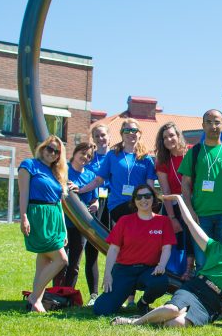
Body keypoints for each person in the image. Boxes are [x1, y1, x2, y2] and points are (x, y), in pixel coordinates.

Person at [112, 194, 222, 327]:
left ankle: (158, 317)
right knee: (172, 310)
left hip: (214, 301)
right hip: (196, 288)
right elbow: (190, 222)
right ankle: (134, 322)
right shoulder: (213, 246)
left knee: (176, 323)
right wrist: (179, 199)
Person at [92, 184, 174, 315]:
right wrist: (107, 274)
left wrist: (161, 265)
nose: (143, 200)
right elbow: (113, 249)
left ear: (153, 199)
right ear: (134, 201)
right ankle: (118, 295)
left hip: (148, 270)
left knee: (160, 282)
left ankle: (143, 303)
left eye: (147, 196)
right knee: (101, 310)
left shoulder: (163, 221)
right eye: (139, 197)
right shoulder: (124, 221)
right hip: (124, 270)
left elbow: (167, 248)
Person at [178, 109, 222, 272]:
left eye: (217, 122)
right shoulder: (194, 152)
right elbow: (185, 184)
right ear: (203, 126)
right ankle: (201, 289)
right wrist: (190, 210)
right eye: (209, 122)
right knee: (202, 263)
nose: (213, 126)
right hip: (200, 216)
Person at [18, 135, 70, 313]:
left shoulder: (56, 173)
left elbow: (59, 203)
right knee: (61, 260)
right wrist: (23, 217)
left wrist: (63, 229)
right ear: (42, 148)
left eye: (57, 152)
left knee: (44, 260)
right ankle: (34, 297)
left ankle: (36, 303)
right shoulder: (29, 165)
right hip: (38, 216)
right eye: (50, 149)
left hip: (55, 218)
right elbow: (23, 194)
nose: (52, 153)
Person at [78, 118, 157, 224]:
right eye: (126, 130)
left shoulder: (146, 159)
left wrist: (155, 204)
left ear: (139, 134)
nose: (130, 133)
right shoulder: (112, 155)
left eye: (134, 130)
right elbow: (98, 180)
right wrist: (80, 190)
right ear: (122, 134)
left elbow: (150, 186)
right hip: (118, 205)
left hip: (140, 204)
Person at [55, 142, 99, 292]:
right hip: (62, 222)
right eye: (83, 153)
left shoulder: (91, 175)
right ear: (75, 152)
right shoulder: (63, 169)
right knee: (61, 260)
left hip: (81, 226)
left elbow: (94, 199)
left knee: (74, 263)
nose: (85, 157)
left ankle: (68, 294)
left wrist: (95, 205)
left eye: (89, 156)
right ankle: (56, 292)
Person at [154, 122, 193, 279]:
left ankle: (190, 270)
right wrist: (172, 218)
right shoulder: (162, 160)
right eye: (164, 137)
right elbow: (166, 191)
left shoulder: (191, 152)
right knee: (174, 240)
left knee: (192, 237)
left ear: (178, 136)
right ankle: (174, 274)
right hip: (173, 205)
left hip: (193, 203)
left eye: (171, 135)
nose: (168, 139)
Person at [83, 124, 110, 305]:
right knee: (91, 248)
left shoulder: (115, 156)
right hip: (93, 203)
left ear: (109, 137)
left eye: (103, 135)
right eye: (97, 136)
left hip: (112, 203)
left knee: (114, 248)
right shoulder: (89, 158)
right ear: (93, 139)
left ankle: (113, 292)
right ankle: (93, 294)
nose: (101, 139)